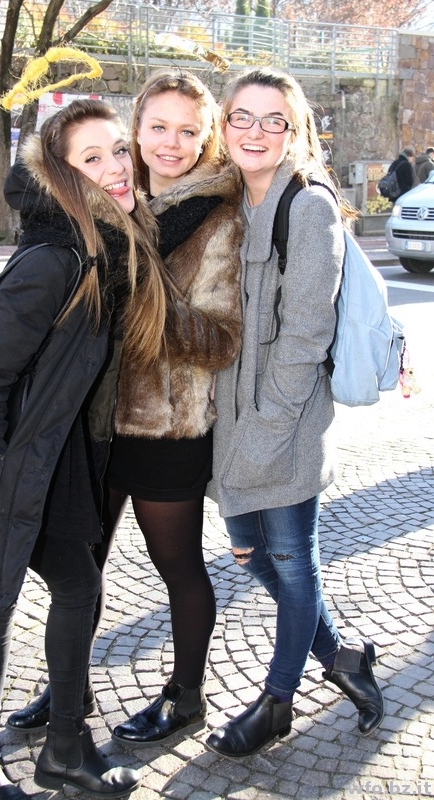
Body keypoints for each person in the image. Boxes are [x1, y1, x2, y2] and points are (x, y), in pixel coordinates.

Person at [0, 98, 171, 799]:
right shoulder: (55, 260)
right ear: (63, 175)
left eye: (118, 149)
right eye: (92, 157)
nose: (116, 167)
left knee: (77, 587)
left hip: (54, 461)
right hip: (5, 466)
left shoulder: (104, 245)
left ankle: (65, 750)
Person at [7, 69, 244, 746]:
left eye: (187, 131)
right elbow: (32, 189)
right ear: (135, 130)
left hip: (167, 426)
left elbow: (221, 339)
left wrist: (144, 294)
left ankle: (186, 697)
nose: (170, 143)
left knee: (179, 567)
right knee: (80, 566)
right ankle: (68, 688)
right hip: (95, 418)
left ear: (206, 138)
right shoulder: (110, 192)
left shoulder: (219, 217)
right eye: (157, 126)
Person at [205, 67, 385, 759]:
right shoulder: (225, 200)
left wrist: (268, 430)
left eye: (272, 119)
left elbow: (307, 336)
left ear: (295, 129)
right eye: (242, 117)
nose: (255, 132)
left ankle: (276, 703)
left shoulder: (308, 206)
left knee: (291, 560)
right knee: (252, 555)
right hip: (231, 419)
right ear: (225, 125)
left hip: (285, 419)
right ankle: (342, 659)